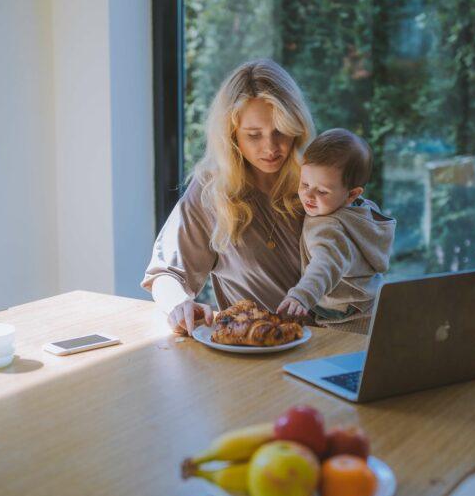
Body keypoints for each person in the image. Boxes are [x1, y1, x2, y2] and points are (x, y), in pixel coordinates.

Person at [142, 59, 314, 334]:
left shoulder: (316, 181)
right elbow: (166, 273)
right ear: (231, 136)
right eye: (254, 135)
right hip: (257, 348)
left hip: (331, 343)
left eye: (280, 131)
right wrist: (179, 304)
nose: (271, 147)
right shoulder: (213, 191)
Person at [276, 129, 396, 334]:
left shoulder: (327, 227)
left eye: (322, 191)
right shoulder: (363, 212)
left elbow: (325, 264)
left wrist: (301, 295)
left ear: (352, 194)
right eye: (305, 184)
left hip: (346, 320)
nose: (309, 195)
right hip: (371, 305)